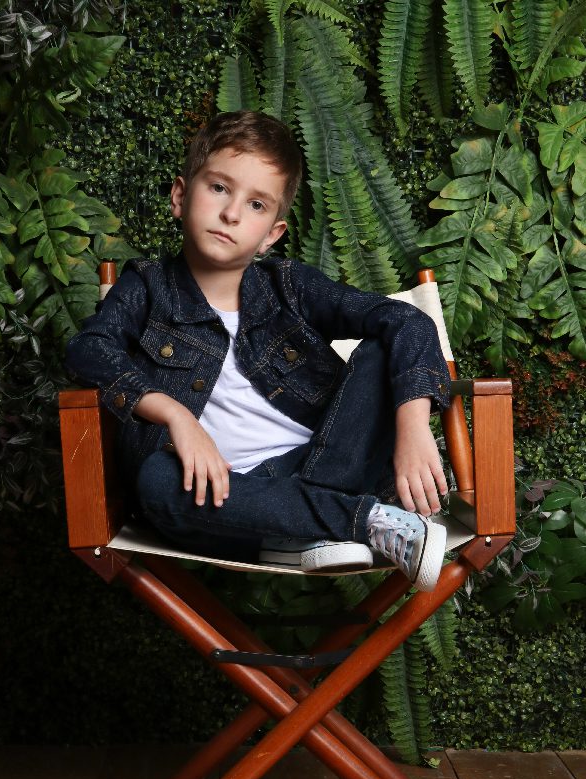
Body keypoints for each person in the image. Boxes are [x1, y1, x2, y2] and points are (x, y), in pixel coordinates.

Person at [66, 110, 451, 590]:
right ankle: (358, 521)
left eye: (255, 204)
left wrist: (413, 427)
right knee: (157, 481)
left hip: (332, 465)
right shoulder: (146, 287)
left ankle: (314, 523)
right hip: (228, 497)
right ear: (180, 196)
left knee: (381, 347)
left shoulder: (288, 286)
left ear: (272, 234)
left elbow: (406, 320)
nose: (231, 214)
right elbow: (87, 349)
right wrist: (175, 416)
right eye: (219, 188)